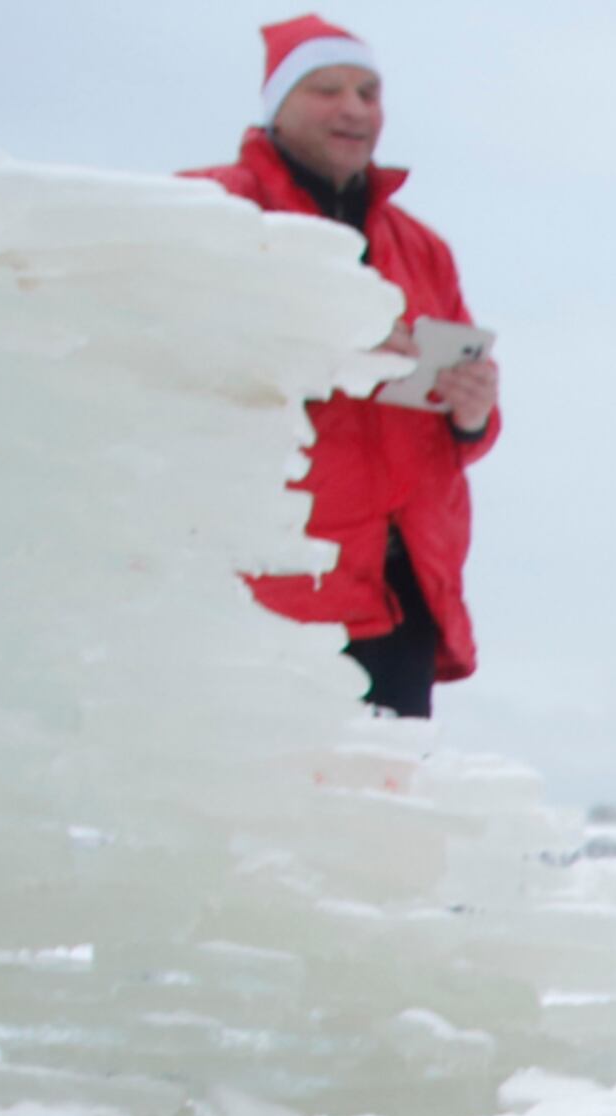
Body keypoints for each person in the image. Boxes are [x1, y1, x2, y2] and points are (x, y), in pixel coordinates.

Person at [190, 16, 500, 720]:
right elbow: (163, 358)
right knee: (264, 814)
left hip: (401, 590)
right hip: (266, 586)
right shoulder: (213, 212)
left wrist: (472, 412)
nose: (354, 108)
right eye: (327, 89)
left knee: (386, 815)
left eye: (368, 91)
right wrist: (332, 345)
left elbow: (469, 433)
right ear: (275, 106)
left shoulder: (422, 247)